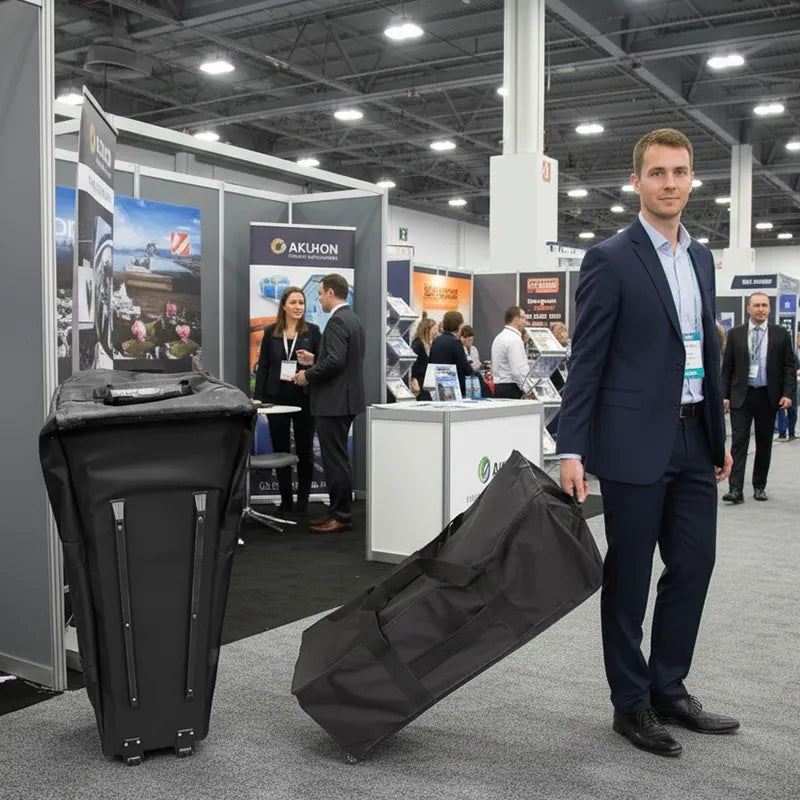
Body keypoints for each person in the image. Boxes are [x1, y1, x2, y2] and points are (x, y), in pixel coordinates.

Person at [557, 128, 737, 758]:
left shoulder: (702, 258)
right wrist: (571, 449)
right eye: (658, 173)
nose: (670, 183)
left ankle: (669, 688)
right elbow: (587, 360)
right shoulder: (610, 258)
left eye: (680, 172)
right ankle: (630, 703)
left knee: (694, 566)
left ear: (692, 179)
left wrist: (718, 433)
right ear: (636, 181)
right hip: (633, 442)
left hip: (694, 438)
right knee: (630, 578)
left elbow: (705, 352)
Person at [293, 274, 365, 534]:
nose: (320, 298)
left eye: (321, 293)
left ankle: (340, 516)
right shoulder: (353, 319)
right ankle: (338, 512)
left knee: (335, 460)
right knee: (339, 458)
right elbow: (340, 359)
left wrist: (307, 374)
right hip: (345, 400)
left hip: (334, 402)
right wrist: (315, 359)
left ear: (331, 293)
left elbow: (335, 362)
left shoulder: (336, 321)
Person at [720, 294, 796, 501]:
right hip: (741, 396)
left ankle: (759, 486)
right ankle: (735, 489)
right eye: (757, 305)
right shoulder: (735, 334)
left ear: (769, 308)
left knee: (764, 444)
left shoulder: (781, 334)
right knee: (739, 443)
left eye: (764, 305)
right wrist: (724, 395)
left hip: (767, 396)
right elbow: (727, 369)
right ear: (748, 309)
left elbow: (789, 367)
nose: (761, 309)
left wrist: (787, 394)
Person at [253, 286, 321, 512]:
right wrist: (258, 397)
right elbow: (263, 367)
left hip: (304, 397)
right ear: (283, 306)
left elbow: (322, 363)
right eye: (293, 302)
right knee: (281, 450)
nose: (298, 307)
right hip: (276, 398)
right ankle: (286, 500)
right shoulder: (271, 332)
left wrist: (311, 359)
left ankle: (302, 501)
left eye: (301, 302)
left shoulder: (313, 331)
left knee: (305, 451)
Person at [490, 306, 535, 399]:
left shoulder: (499, 337)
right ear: (516, 319)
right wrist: (528, 390)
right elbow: (518, 372)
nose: (525, 322)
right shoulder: (514, 339)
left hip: (499, 388)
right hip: (512, 389)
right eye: (523, 318)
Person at [428, 310, 476, 396]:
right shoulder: (456, 343)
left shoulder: (436, 341)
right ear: (459, 325)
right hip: (454, 388)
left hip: (438, 386)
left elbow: (431, 362)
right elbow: (465, 367)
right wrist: (473, 371)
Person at [776, 331, 800, 441]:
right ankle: (789, 433)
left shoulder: (778, 353)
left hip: (784, 385)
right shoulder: (792, 355)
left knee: (784, 410)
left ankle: (784, 433)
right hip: (788, 386)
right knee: (790, 411)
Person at [409, 316, 439, 401]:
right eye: (435, 329)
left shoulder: (432, 344)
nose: (436, 332)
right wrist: (413, 379)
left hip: (427, 380)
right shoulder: (417, 344)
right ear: (428, 329)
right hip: (419, 380)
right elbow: (412, 364)